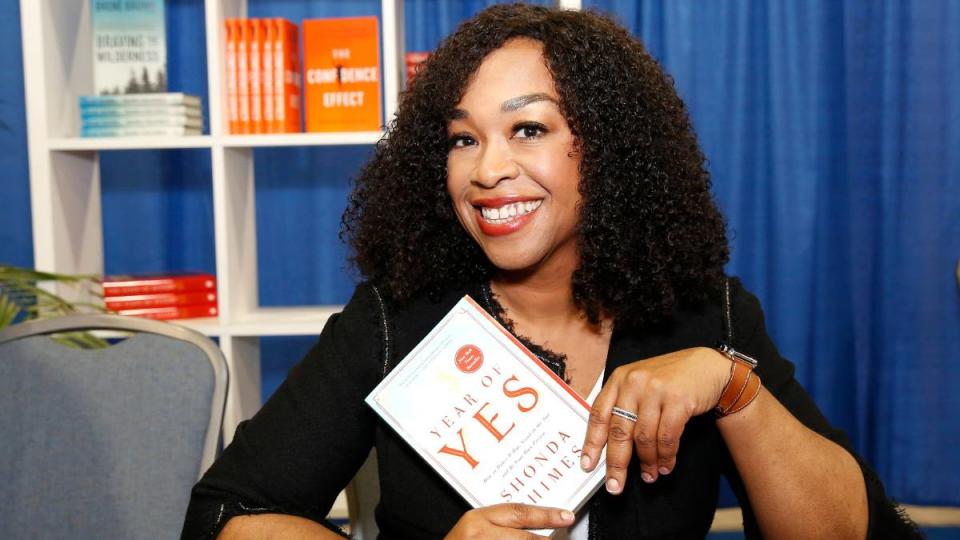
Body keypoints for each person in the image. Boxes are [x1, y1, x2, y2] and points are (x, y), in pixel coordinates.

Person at [182, 5, 919, 539]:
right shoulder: (396, 318)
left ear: (606, 147)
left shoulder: (706, 315)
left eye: (528, 128)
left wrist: (731, 387)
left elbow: (853, 532)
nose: (488, 170)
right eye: (462, 139)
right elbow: (227, 516)